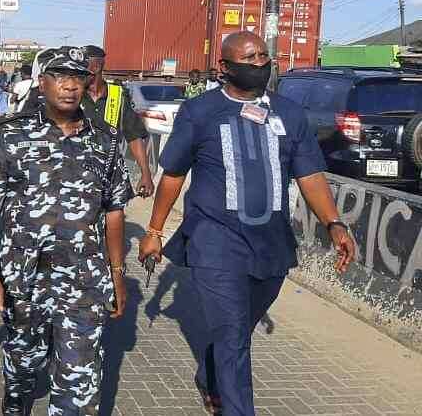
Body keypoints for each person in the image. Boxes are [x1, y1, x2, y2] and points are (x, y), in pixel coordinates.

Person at [140, 31, 356, 416]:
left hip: (272, 243)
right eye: (250, 57)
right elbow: (172, 174)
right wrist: (154, 232)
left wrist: (334, 223)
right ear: (224, 67)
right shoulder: (200, 112)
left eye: (264, 56)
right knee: (234, 336)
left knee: (236, 330)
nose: (259, 63)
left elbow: (310, 175)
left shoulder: (289, 113)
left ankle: (210, 374)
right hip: (214, 239)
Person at [0, 46, 133, 415]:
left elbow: (114, 210)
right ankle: (18, 387)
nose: (69, 86)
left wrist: (117, 274)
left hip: (84, 279)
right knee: (25, 358)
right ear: (41, 83)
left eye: (77, 77)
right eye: (60, 76)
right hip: (23, 276)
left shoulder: (106, 141)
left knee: (80, 378)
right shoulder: (9, 135)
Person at [19, 45, 155, 198]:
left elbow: (134, 135)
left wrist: (145, 173)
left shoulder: (118, 95)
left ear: (96, 67)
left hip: (104, 173)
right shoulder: (69, 95)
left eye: (82, 65)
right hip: (64, 174)